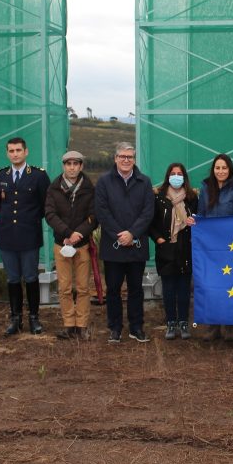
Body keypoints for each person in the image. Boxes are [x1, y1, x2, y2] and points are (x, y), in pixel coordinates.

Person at [94, 142, 154, 344]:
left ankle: (136, 327)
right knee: (113, 289)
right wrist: (120, 235)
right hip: (113, 246)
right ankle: (115, 328)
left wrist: (132, 233)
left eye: (130, 157)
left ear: (134, 159)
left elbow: (148, 212)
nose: (126, 160)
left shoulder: (144, 182)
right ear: (115, 159)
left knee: (136, 289)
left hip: (137, 245)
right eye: (122, 156)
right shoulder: (104, 182)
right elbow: (102, 211)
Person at [0, 137, 51, 336]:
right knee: (13, 278)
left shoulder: (38, 176)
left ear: (26, 152)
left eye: (18, 150)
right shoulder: (1, 176)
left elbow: (46, 205)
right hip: (7, 236)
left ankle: (34, 318)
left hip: (29, 236)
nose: (15, 153)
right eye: (11, 150)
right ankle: (15, 318)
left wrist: (29, 220)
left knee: (31, 277)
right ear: (7, 153)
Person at [44, 150, 97, 340]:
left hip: (81, 245)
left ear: (81, 166)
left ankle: (81, 325)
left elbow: (94, 216)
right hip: (61, 245)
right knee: (64, 287)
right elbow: (50, 214)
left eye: (76, 164)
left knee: (83, 287)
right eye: (68, 164)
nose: (72, 167)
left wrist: (78, 234)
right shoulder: (54, 188)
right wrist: (67, 233)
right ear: (64, 166)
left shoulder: (90, 188)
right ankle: (68, 324)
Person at [197, 153, 233, 342]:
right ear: (213, 170)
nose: (220, 171)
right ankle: (212, 325)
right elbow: (201, 214)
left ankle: (229, 325)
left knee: (230, 285)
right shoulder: (205, 189)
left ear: (230, 170)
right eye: (217, 168)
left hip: (230, 249)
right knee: (211, 285)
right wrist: (196, 221)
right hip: (209, 248)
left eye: (224, 168)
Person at [150, 163, 198, 340]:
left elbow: (199, 218)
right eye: (173, 173)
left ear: (184, 177)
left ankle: (184, 323)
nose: (176, 176)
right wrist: (159, 239)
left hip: (185, 248)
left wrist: (195, 220)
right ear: (168, 176)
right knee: (169, 288)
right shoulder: (159, 197)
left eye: (179, 173)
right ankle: (170, 322)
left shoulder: (192, 197)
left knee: (184, 288)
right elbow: (151, 222)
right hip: (166, 248)